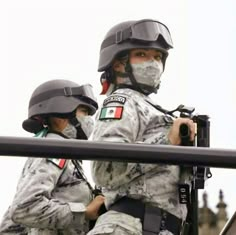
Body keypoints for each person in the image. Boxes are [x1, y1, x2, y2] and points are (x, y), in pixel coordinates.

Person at [87, 19, 195, 235]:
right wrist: (166, 141)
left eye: (158, 57)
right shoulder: (121, 100)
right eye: (142, 55)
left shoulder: (152, 108)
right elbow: (104, 168)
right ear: (118, 64)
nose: (153, 63)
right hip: (127, 227)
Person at [0, 79, 105, 235]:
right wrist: (84, 212)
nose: (89, 119)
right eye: (84, 111)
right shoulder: (54, 150)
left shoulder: (63, 154)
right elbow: (24, 208)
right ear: (62, 114)